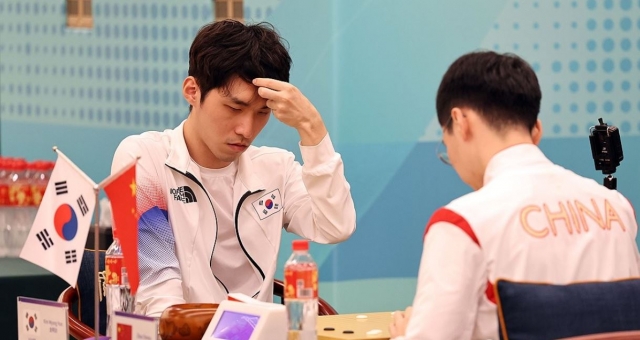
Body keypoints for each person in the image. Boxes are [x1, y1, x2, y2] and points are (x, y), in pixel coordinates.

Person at [110, 20, 356, 317]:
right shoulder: (142, 158)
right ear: (192, 91)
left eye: (262, 113)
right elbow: (156, 290)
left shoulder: (276, 167)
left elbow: (335, 226)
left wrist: (313, 129)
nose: (246, 129)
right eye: (234, 108)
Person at [389, 51, 640, 339]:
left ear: (460, 122)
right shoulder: (618, 209)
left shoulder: (462, 225)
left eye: (446, 146)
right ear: (536, 131)